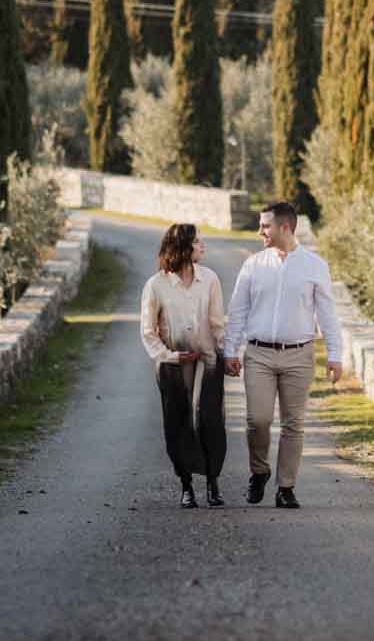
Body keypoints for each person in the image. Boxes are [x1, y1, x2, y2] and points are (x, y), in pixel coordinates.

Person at [222, 200, 343, 509]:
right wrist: (230, 350)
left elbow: (327, 314)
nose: (260, 231)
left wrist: (335, 354)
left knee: (293, 424)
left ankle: (285, 487)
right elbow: (238, 311)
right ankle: (259, 471)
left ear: (285, 227)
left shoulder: (315, 266)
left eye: (265, 225)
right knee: (257, 420)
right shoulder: (253, 264)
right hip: (259, 354)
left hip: (299, 355)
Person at [138, 222, 228, 508]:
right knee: (177, 423)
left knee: (209, 419)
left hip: (207, 360)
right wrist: (171, 356)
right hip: (173, 363)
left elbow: (217, 324)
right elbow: (148, 332)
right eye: (198, 242)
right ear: (184, 247)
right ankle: (186, 484)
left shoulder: (210, 279)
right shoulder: (156, 285)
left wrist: (231, 353)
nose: (203, 246)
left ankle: (213, 481)